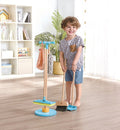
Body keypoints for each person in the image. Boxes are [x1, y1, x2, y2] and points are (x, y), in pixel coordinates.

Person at [59, 16, 85, 107]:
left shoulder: (78, 39)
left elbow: (79, 51)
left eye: (74, 27)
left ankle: (77, 100)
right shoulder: (62, 42)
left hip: (77, 66)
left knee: (77, 83)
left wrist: (74, 63)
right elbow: (61, 55)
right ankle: (68, 98)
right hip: (68, 66)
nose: (71, 29)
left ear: (77, 28)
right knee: (68, 82)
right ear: (64, 28)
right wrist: (62, 65)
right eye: (69, 27)